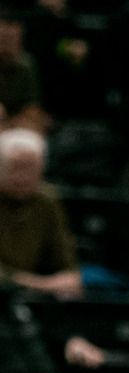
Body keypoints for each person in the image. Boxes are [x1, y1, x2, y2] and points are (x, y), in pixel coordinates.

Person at [0, 129, 82, 301]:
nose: (22, 177)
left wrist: (66, 279)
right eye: (15, 167)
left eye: (30, 168)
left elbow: (67, 268)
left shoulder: (47, 200)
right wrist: (37, 283)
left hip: (35, 294)